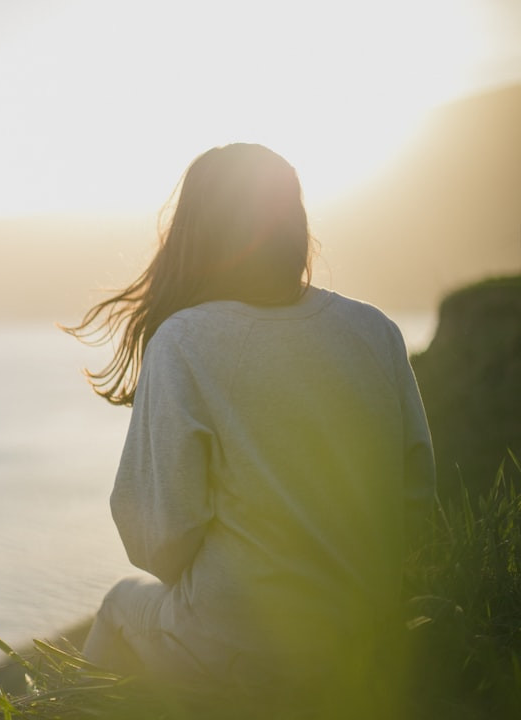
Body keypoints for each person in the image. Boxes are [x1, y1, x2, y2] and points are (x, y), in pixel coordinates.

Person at [65, 143, 436, 711]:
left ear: (194, 232)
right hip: (367, 633)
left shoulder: (185, 341)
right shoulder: (375, 329)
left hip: (243, 647)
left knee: (120, 606)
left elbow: (157, 541)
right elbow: (416, 501)